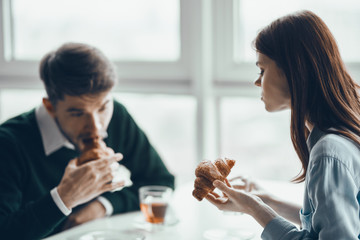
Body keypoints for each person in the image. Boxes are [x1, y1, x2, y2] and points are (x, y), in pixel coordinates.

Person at [206, 10, 360, 239]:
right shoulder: (338, 136)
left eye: (262, 69)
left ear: (293, 70)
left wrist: (256, 210)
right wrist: (264, 200)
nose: (257, 81)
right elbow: (322, 223)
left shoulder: (329, 152)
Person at [0, 42, 175, 239]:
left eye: (102, 108)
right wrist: (64, 197)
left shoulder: (118, 116)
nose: (96, 127)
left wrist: (101, 206)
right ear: (50, 107)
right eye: (77, 113)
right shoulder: (8, 144)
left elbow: (160, 182)